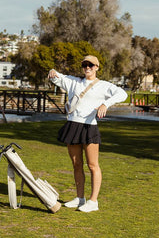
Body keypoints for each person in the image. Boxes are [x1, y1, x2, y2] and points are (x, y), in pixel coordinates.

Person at [47, 54, 127, 213]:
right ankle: (80, 198)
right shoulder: (74, 81)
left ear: (97, 67)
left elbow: (122, 94)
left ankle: (93, 201)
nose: (88, 68)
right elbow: (56, 77)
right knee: (76, 164)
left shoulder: (103, 85)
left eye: (91, 65)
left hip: (89, 127)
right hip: (72, 125)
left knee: (92, 165)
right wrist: (52, 71)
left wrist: (106, 104)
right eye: (85, 65)